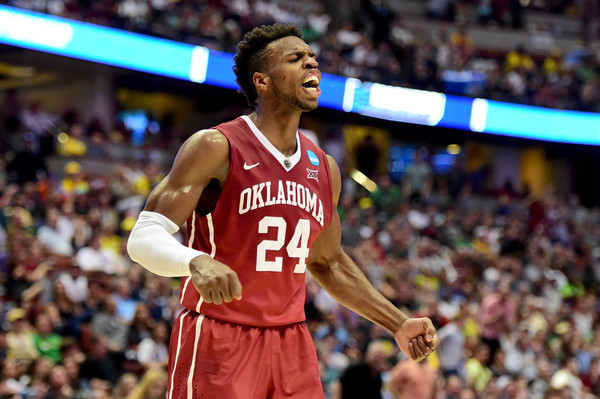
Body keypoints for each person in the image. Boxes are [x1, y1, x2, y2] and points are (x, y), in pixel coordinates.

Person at [127, 23, 439, 399]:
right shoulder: (216, 146)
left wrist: (398, 322)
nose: (311, 63)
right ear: (262, 80)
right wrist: (193, 260)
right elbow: (143, 237)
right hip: (220, 335)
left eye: (312, 57)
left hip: (292, 342)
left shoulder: (325, 168)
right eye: (295, 58)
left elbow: (329, 264)